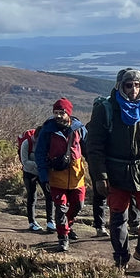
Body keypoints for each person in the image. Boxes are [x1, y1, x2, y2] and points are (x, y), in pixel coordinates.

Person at [86, 69, 140, 272]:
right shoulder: (105, 108)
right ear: (120, 86)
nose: (134, 89)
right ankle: (121, 258)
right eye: (129, 85)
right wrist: (100, 176)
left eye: (137, 85)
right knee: (119, 217)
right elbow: (95, 146)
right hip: (115, 172)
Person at [34, 99, 88, 252]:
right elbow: (40, 154)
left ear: (68, 113)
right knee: (61, 209)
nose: (58, 116)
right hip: (56, 177)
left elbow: (89, 149)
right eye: (55, 112)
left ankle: (67, 226)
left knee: (78, 205)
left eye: (61, 112)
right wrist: (44, 178)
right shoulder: (47, 130)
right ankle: (62, 238)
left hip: (77, 177)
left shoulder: (79, 128)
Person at [17, 127, 54, 233]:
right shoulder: (26, 143)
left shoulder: (46, 143)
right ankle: (32, 222)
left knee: (49, 195)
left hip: (43, 173)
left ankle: (50, 222)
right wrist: (39, 165)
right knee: (32, 196)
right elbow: (25, 161)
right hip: (29, 173)